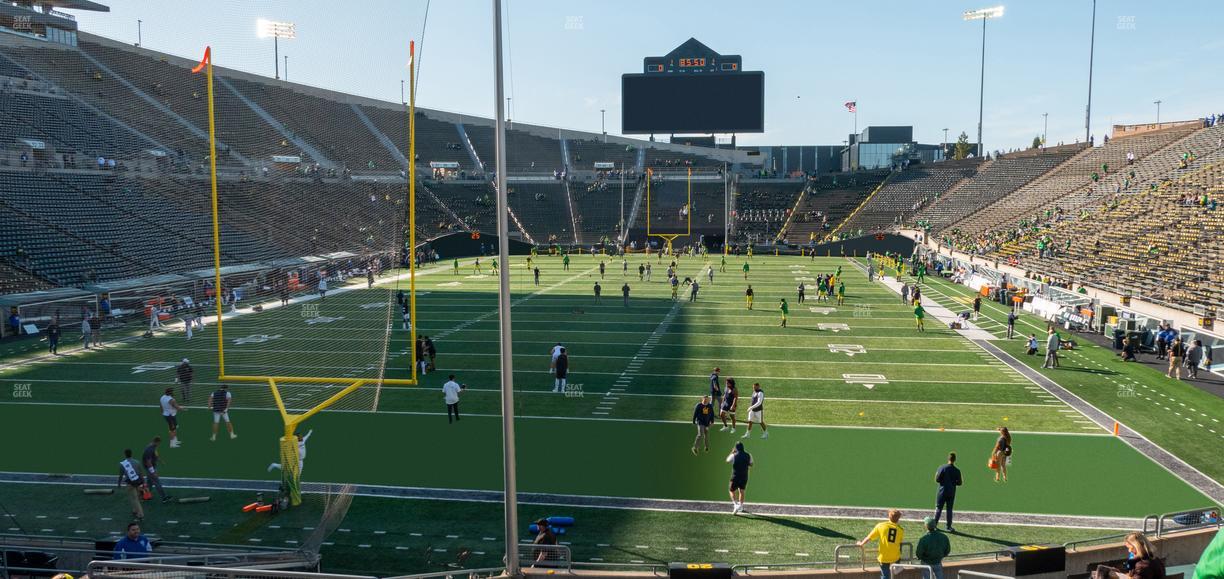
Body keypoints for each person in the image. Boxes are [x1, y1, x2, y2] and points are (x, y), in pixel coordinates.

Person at [1092, 532, 1164, 579]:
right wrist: (1119, 574)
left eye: (1130, 548)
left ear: (1137, 547)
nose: (1129, 551)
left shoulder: (1142, 565)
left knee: (1101, 572)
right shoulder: (1155, 559)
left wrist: (1116, 575)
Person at [858, 509, 905, 579]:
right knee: (896, 562)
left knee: (885, 575)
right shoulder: (901, 530)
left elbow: (869, 537)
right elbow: (900, 542)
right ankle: (896, 567)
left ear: (889, 516)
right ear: (898, 518)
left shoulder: (881, 526)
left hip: (884, 557)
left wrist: (861, 543)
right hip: (895, 557)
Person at [933, 453, 962, 531]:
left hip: (942, 491)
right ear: (955, 460)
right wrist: (953, 483)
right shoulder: (957, 470)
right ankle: (949, 526)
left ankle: (934, 525)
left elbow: (937, 479)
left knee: (938, 508)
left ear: (948, 458)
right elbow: (960, 483)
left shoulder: (942, 467)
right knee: (949, 509)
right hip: (951, 492)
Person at [117, 450, 146, 521]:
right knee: (136, 497)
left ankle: (140, 514)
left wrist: (119, 483)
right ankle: (135, 510)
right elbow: (141, 473)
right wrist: (143, 482)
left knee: (134, 498)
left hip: (130, 483)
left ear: (125, 454)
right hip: (138, 481)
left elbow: (121, 475)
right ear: (131, 454)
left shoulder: (123, 464)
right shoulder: (137, 462)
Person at [725, 441, 753, 514]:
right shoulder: (749, 455)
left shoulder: (733, 455)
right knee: (742, 491)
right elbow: (751, 464)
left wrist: (732, 452)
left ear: (736, 448)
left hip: (735, 476)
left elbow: (727, 461)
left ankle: (735, 505)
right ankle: (740, 506)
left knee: (731, 490)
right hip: (744, 476)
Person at [142, 437, 171, 503]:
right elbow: (148, 462)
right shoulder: (149, 449)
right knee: (157, 482)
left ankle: (146, 496)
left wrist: (161, 461)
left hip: (151, 466)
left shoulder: (153, 447)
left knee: (149, 482)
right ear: (157, 442)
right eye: (159, 443)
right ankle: (164, 497)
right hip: (150, 467)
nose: (159, 444)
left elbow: (155, 455)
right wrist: (153, 472)